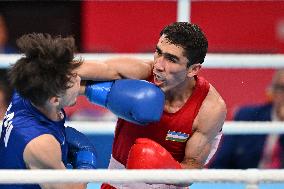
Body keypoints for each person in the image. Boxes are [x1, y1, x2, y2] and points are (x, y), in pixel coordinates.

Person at [78, 22, 227, 189]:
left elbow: (192, 168)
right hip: (117, 184)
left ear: (193, 69)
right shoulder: (141, 72)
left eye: (171, 59)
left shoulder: (209, 108)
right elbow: (82, 69)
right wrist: (51, 70)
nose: (158, 65)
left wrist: (164, 168)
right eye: (158, 52)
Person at [0, 33, 97, 189]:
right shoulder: (42, 145)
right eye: (72, 80)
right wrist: (86, 163)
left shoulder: (27, 89)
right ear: (55, 100)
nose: (79, 79)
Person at [209, 69, 284, 169]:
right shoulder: (247, 116)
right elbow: (220, 163)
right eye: (282, 88)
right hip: (247, 181)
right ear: (272, 91)